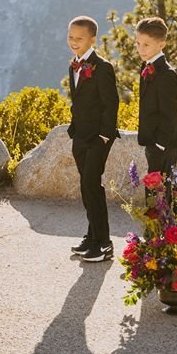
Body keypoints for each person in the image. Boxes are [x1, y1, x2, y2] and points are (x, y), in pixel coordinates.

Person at [66, 15, 119, 263]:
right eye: (71, 37)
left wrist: (104, 136)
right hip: (80, 135)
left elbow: (111, 105)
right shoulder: (73, 65)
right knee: (85, 187)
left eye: (79, 38)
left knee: (92, 185)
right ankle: (92, 236)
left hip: (98, 138)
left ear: (93, 40)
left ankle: (104, 243)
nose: (74, 42)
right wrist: (74, 129)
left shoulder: (103, 67)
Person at [135, 16, 177, 176]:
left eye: (146, 45)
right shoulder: (146, 66)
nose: (141, 49)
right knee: (153, 193)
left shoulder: (167, 74)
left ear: (161, 45)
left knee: (162, 194)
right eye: (138, 43)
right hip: (151, 141)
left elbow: (171, 116)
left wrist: (159, 145)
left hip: (164, 144)